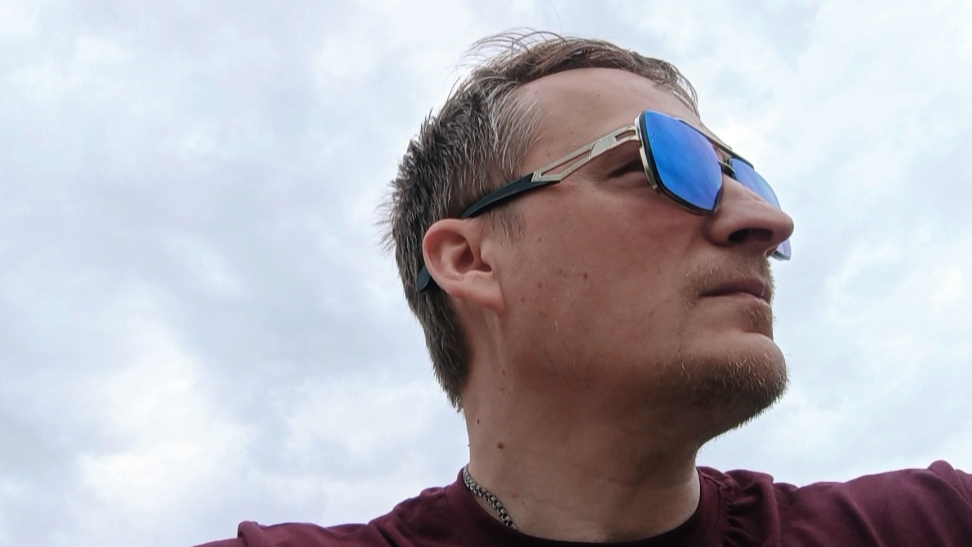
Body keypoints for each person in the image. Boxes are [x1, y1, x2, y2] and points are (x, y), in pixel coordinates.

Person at [197, 31, 972, 547]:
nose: (767, 220)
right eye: (662, 163)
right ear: (470, 259)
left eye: (746, 179)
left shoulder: (929, 525)